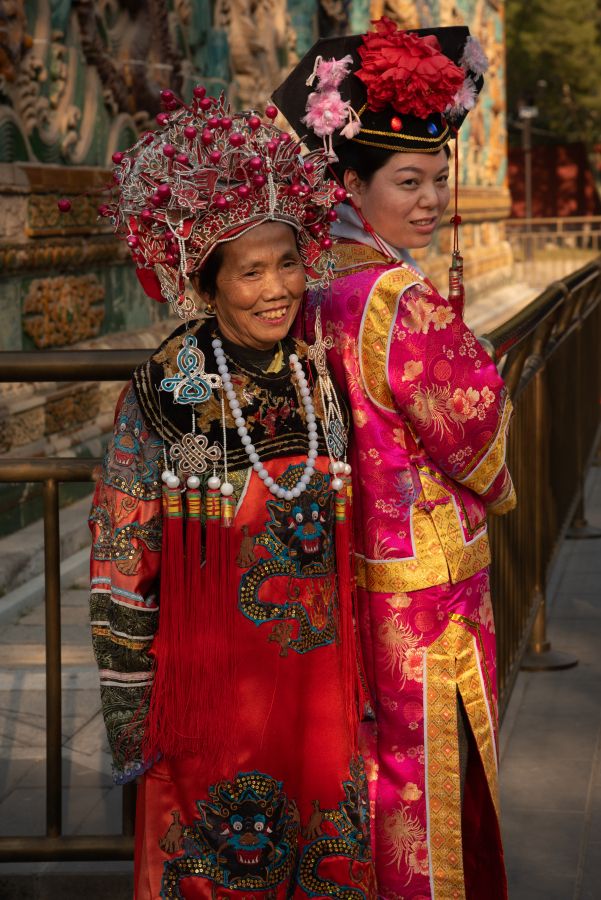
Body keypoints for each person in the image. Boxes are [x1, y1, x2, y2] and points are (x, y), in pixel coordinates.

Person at [88, 91, 376, 899]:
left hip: (316, 686)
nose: (277, 288)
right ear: (206, 282)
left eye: (287, 262)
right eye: (250, 272)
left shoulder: (315, 372)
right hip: (213, 698)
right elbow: (119, 560)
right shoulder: (165, 394)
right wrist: (132, 713)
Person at [273, 19, 516, 899]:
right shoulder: (399, 300)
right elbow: (476, 426)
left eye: (438, 180)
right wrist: (486, 371)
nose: (428, 201)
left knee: (377, 771)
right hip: (429, 593)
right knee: (429, 779)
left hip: (358, 573)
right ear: (350, 184)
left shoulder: (324, 289)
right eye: (407, 182)